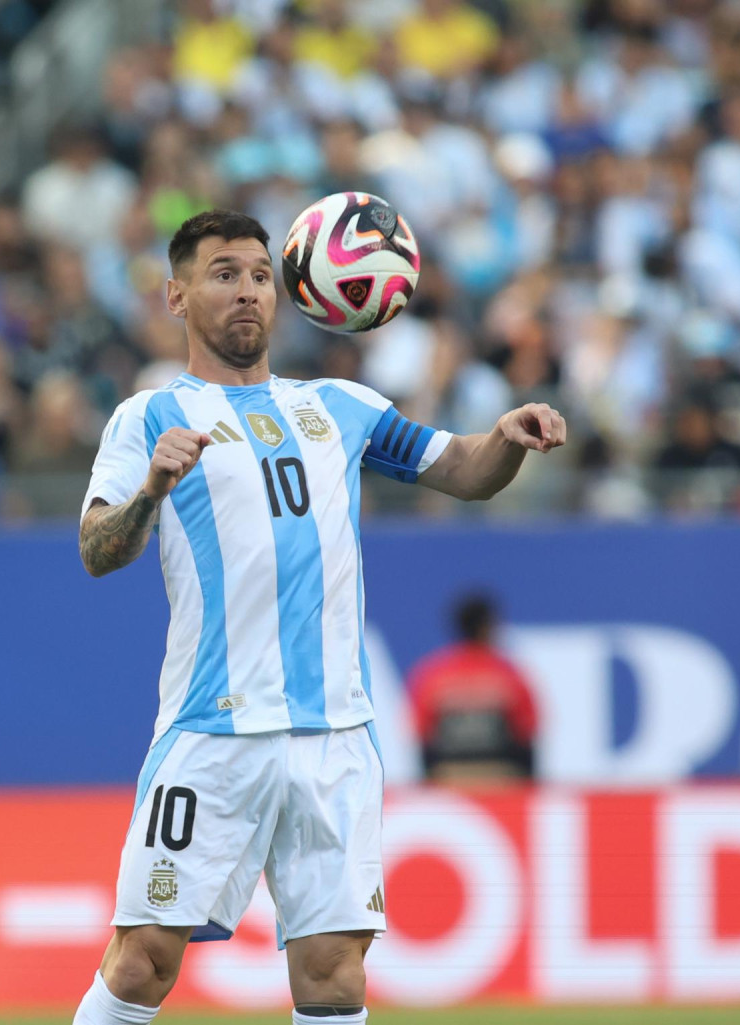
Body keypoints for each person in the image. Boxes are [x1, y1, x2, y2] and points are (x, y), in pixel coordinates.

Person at [72, 209, 566, 1025]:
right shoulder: (148, 417)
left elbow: (466, 471)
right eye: (224, 273)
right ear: (176, 295)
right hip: (212, 733)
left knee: (334, 972)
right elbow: (98, 548)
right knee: (142, 959)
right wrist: (152, 491)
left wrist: (506, 437)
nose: (248, 292)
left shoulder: (340, 406)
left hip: (336, 737)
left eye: (261, 276)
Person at [407, 593, 538, 781]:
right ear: (487, 627)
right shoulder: (509, 674)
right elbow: (527, 731)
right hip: (502, 778)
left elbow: (421, 733)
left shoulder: (432, 674)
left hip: (447, 776)